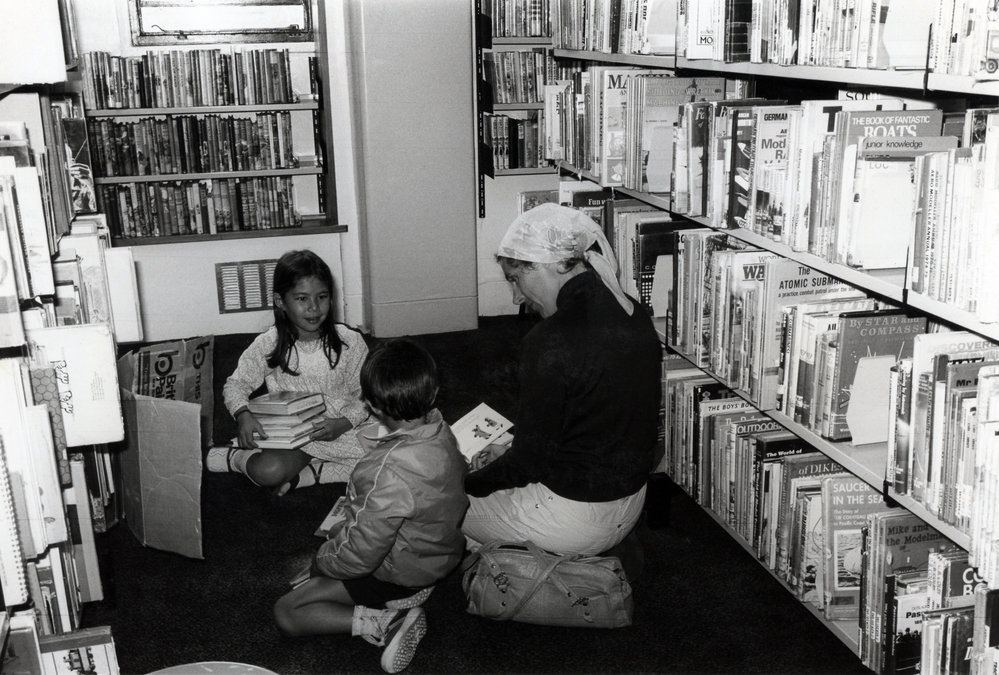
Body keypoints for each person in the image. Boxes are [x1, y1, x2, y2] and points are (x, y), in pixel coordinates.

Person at [461, 203, 662, 557]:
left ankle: (526, 555)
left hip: (575, 520)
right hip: (631, 504)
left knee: (435, 504)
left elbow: (528, 464)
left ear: (549, 264)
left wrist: (465, 483)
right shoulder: (632, 311)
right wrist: (509, 450)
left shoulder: (549, 340)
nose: (516, 298)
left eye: (516, 278)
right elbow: (590, 417)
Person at [273, 338, 468, 674]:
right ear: (433, 393)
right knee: (319, 573)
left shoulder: (385, 471)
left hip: (398, 575)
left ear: (373, 407)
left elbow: (360, 554)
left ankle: (386, 621)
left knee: (287, 611)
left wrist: (322, 563)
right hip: (439, 555)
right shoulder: (441, 430)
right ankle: (406, 596)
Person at [207, 249, 370, 494]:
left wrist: (344, 423)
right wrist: (243, 414)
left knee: (398, 459)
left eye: (322, 296)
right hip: (295, 439)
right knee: (268, 471)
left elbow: (367, 394)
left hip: (347, 430)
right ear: (281, 301)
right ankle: (235, 458)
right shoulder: (269, 343)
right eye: (302, 299)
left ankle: (307, 476)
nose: (314, 308)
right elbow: (236, 384)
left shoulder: (351, 341)